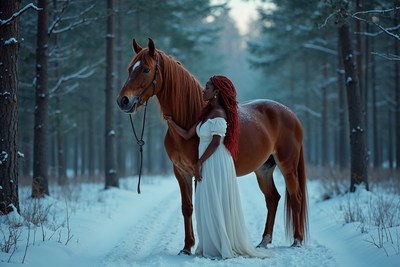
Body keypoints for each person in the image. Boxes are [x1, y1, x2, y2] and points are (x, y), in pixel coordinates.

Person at [164, 75, 269, 259]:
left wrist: (198, 162)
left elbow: (216, 142)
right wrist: (171, 122)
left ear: (216, 92)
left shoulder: (220, 114)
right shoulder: (206, 113)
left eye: (207, 87)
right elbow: (188, 135)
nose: (203, 90)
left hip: (216, 160)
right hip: (207, 159)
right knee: (206, 201)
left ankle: (223, 245)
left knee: (216, 200)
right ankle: (211, 245)